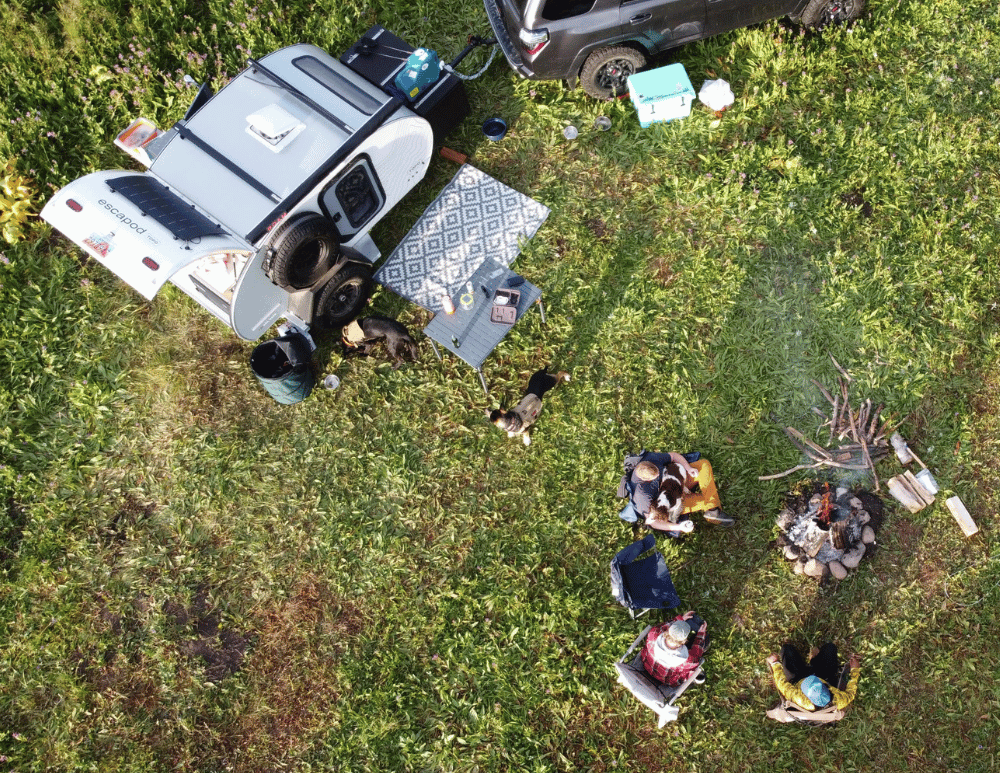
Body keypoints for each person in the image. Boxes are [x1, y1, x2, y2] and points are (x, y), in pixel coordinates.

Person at [617, 451, 734, 532]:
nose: (659, 475)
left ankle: (712, 509)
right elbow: (653, 522)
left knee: (704, 465)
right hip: (672, 503)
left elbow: (673, 456)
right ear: (646, 480)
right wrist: (679, 527)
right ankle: (713, 511)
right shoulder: (642, 496)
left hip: (676, 477)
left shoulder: (651, 459)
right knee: (704, 500)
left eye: (658, 471)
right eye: (656, 477)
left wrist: (688, 468)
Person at [766, 642, 861, 712]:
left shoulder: (800, 699)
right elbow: (851, 693)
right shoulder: (839, 700)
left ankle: (813, 661)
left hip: (799, 678)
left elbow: (782, 684)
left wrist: (775, 664)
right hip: (824, 678)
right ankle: (814, 661)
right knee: (830, 648)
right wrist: (855, 669)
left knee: (786, 649)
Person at [641, 611, 708, 687]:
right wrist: (701, 634)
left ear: (668, 630)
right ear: (684, 641)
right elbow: (697, 653)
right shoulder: (688, 660)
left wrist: (679, 619)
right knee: (705, 641)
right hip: (667, 680)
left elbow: (662, 627)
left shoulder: (654, 634)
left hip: (647, 666)